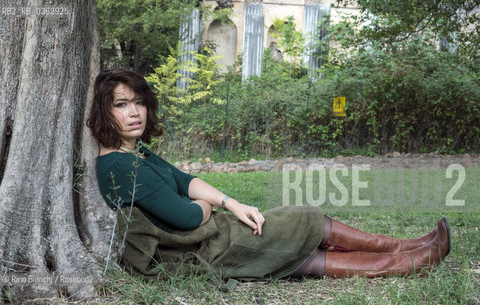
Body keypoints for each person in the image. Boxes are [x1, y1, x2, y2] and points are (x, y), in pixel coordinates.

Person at [87, 69, 450, 281]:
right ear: (105, 113)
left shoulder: (135, 151)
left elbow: (184, 181)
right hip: (194, 251)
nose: (134, 112)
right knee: (302, 220)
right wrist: (207, 206)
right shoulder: (120, 164)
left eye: (138, 102)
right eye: (121, 104)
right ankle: (407, 260)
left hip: (204, 238)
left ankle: (408, 250)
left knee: (291, 243)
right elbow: (187, 216)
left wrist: (233, 202)